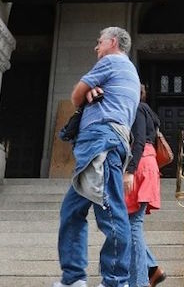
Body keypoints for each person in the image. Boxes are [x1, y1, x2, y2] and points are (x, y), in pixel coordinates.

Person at [53, 26, 141, 287]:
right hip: (100, 145)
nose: (96, 47)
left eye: (99, 42)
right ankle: (73, 278)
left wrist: (86, 92)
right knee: (71, 212)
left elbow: (75, 94)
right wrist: (92, 92)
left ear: (113, 42)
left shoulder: (112, 61)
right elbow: (88, 94)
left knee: (111, 213)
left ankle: (115, 281)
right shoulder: (126, 71)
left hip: (101, 144)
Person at [125, 84, 166, 287]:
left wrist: (130, 170)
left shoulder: (138, 109)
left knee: (133, 224)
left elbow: (139, 141)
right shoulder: (148, 112)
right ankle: (152, 268)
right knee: (130, 224)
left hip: (140, 165)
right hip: (147, 164)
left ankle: (140, 282)